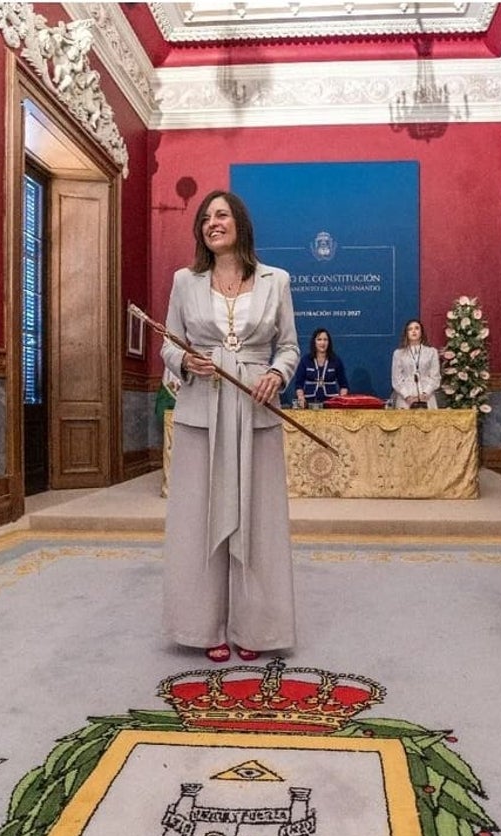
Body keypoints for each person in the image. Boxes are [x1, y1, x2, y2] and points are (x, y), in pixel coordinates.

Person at [160, 189, 300, 664]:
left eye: (221, 215)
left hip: (255, 414)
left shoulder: (276, 281)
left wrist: (276, 374)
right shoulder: (185, 280)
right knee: (197, 521)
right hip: (202, 412)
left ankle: (255, 627)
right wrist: (185, 358)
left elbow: (289, 346)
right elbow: (168, 344)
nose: (212, 223)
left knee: (258, 521)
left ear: (240, 221)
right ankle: (204, 627)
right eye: (205, 218)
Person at [292, 327, 349, 407]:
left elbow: (344, 386)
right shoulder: (305, 360)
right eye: (319, 339)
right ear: (314, 342)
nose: (322, 343)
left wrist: (341, 401)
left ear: (329, 342)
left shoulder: (336, 360)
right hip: (309, 403)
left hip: (331, 403)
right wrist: (301, 398)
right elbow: (299, 384)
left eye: (325, 340)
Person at [390, 318, 440, 408]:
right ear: (406, 333)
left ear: (421, 332)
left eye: (417, 328)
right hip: (405, 399)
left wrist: (426, 393)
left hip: (427, 397)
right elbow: (396, 379)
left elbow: (435, 377)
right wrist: (407, 396)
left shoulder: (432, 352)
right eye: (410, 329)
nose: (413, 331)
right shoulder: (398, 353)